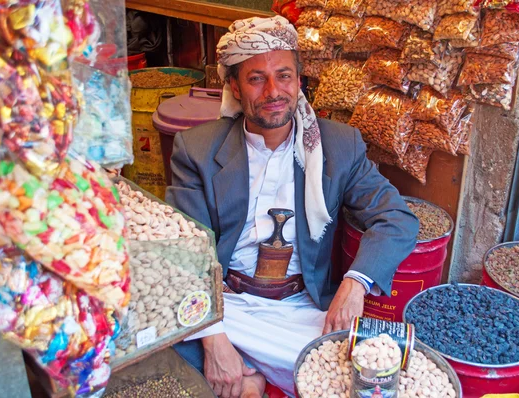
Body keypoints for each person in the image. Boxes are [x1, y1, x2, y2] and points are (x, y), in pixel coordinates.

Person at [166, 15, 419, 398]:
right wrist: (214, 338)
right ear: (233, 86)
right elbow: (184, 251)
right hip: (227, 306)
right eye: (255, 79)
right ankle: (240, 373)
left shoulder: (338, 146)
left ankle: (248, 379)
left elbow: (396, 218)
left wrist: (355, 283)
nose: (273, 91)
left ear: (300, 82)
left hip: (300, 310)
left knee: (367, 381)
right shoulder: (198, 150)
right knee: (151, 334)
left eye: (284, 76)